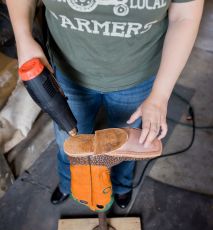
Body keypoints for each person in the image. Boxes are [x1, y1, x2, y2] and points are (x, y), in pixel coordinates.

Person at [6, 0, 203, 208]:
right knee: (70, 144)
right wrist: (23, 39)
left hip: (136, 75)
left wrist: (160, 95)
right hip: (68, 71)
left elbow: (185, 15)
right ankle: (69, 184)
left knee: (126, 144)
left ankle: (121, 186)